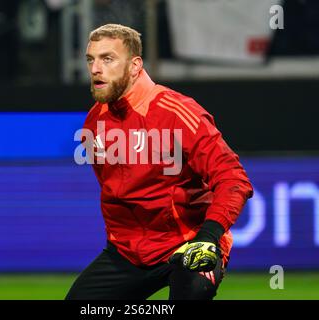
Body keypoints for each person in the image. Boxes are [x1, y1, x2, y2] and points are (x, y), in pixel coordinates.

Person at [66, 24, 253, 300]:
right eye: (90, 59)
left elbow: (234, 178)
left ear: (134, 66)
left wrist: (209, 236)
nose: (95, 69)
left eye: (107, 59)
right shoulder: (95, 121)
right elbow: (114, 190)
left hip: (188, 245)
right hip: (127, 254)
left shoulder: (177, 113)